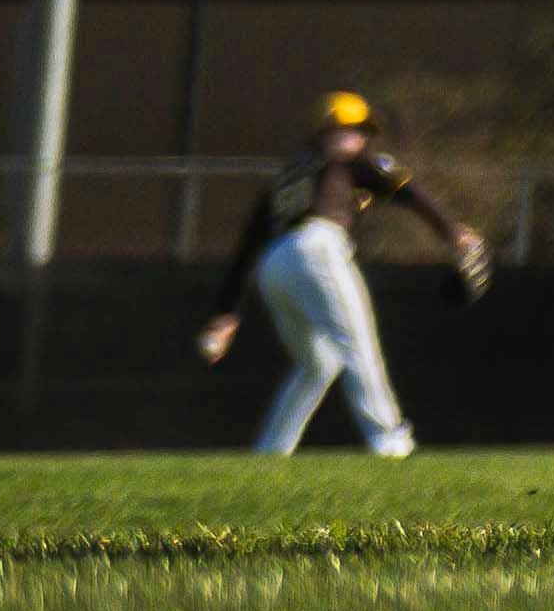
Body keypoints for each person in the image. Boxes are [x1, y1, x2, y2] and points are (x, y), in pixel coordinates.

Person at [204, 85, 484, 456]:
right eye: (345, 130)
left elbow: (249, 245)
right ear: (323, 134)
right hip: (318, 248)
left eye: (357, 131)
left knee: (318, 362)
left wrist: (226, 313)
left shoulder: (289, 174)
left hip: (276, 265)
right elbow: (407, 190)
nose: (352, 138)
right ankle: (390, 440)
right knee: (358, 343)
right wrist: (451, 229)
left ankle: (270, 452)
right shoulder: (353, 163)